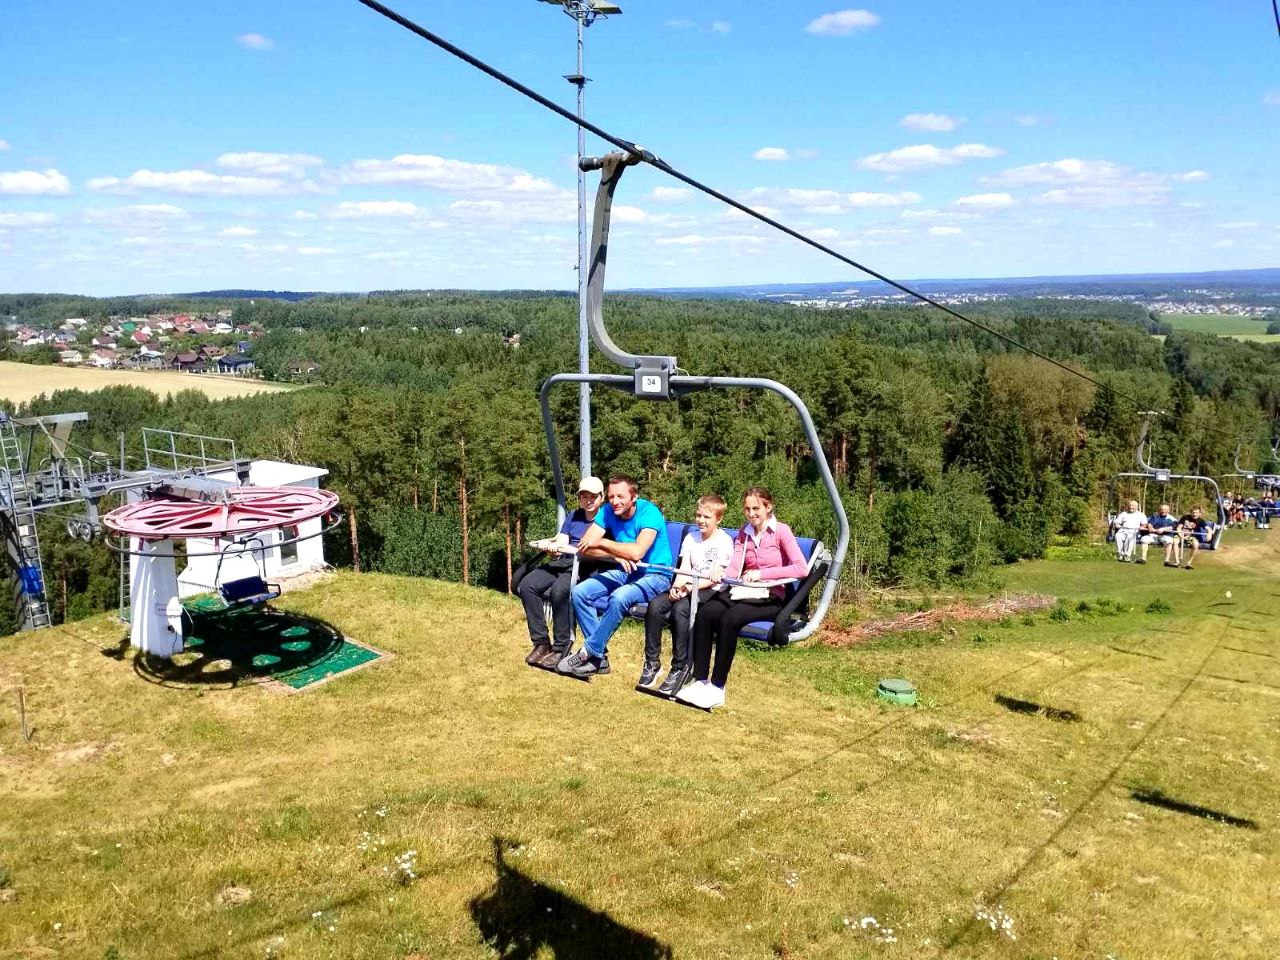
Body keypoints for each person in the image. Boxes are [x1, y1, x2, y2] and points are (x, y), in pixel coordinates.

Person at [677, 486, 809, 711]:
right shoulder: (743, 533)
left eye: (756, 508)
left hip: (770, 595)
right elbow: (735, 567)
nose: (751, 514)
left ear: (768, 507)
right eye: (747, 509)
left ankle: (718, 686)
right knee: (707, 612)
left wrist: (761, 574)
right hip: (744, 591)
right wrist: (721, 573)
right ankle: (700, 680)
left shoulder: (781, 532)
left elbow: (801, 569)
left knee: (730, 619)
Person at [558, 475, 673, 679]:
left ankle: (588, 652)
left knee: (619, 597)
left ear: (634, 496)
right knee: (580, 592)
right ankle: (599, 658)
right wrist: (615, 554)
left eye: (621, 496)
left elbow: (637, 552)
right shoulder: (608, 512)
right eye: (611, 496)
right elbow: (584, 547)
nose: (614, 501)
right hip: (626, 569)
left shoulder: (650, 513)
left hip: (656, 574)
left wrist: (601, 542)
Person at [640, 493, 733, 696]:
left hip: (710, 589)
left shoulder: (724, 542)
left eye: (707, 517)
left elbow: (717, 576)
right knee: (656, 605)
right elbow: (684, 566)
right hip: (688, 583)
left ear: (718, 519)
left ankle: (680, 666)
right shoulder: (691, 538)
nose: (701, 521)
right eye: (698, 515)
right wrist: (678, 586)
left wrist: (690, 588)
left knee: (681, 610)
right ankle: (652, 662)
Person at [515, 477, 605, 670]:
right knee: (528, 585)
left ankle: (561, 646)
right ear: (579, 498)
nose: (588, 500)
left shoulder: (605, 520)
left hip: (583, 566)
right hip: (564, 560)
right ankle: (541, 642)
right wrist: (553, 546)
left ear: (601, 498)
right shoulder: (574, 516)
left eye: (593, 497)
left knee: (560, 590)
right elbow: (562, 539)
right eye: (584, 496)